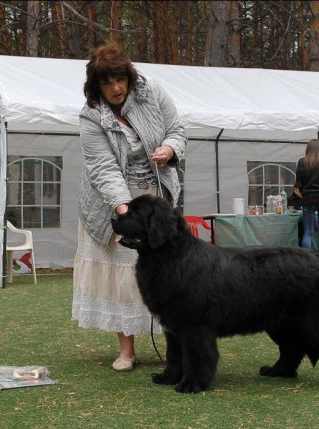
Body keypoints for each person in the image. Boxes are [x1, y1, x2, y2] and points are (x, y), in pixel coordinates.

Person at [71, 43, 187, 372]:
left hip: (156, 199)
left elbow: (178, 130)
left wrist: (169, 148)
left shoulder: (153, 93)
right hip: (114, 202)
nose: (116, 88)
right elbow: (104, 169)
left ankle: (175, 347)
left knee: (168, 274)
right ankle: (126, 350)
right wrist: (125, 214)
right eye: (107, 82)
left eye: (120, 79)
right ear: (97, 86)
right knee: (122, 277)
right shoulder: (91, 115)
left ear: (130, 76)